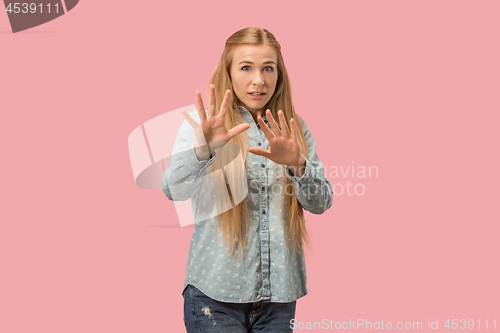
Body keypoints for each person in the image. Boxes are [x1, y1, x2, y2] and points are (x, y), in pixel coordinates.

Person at [162, 27, 333, 333]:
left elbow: (321, 203)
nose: (259, 80)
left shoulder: (294, 128)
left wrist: (297, 163)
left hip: (279, 300)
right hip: (214, 297)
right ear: (228, 72)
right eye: (246, 68)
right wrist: (203, 149)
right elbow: (173, 190)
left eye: (269, 68)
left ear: (279, 73)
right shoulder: (204, 124)